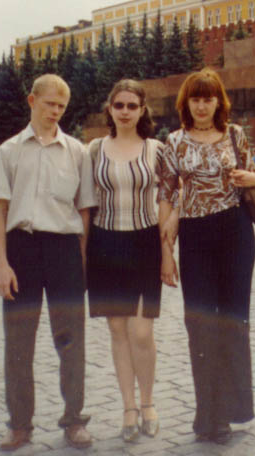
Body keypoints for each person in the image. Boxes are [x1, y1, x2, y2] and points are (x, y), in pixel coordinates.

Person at [0, 74, 96, 451]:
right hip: (22, 249)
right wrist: (2, 265)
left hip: (64, 249)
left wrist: (81, 259)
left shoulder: (77, 152)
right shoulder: (8, 151)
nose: (55, 112)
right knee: (18, 343)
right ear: (32, 100)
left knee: (71, 341)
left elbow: (84, 211)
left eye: (62, 106)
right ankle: (20, 425)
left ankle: (74, 420)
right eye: (50, 104)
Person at [157, 69, 255, 444]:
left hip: (236, 233)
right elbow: (166, 195)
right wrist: (166, 253)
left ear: (219, 102)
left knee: (234, 322)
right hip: (195, 236)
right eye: (195, 99)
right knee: (200, 324)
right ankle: (208, 415)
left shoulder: (235, 135)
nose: (202, 106)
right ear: (186, 103)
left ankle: (231, 410)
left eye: (208, 99)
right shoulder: (174, 142)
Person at [87, 80, 166, 443]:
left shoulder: (156, 150)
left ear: (142, 110)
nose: (125, 111)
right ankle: (129, 408)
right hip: (105, 244)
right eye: (119, 105)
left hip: (145, 242)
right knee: (118, 330)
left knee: (142, 331)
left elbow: (170, 200)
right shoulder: (94, 150)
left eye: (132, 105)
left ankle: (148, 403)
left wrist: (167, 249)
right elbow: (84, 203)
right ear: (110, 108)